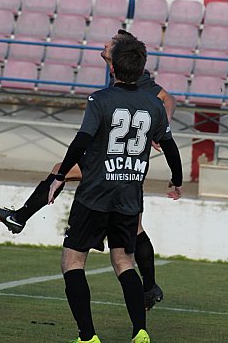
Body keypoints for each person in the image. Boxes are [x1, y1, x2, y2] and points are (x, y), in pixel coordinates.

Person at [0, 29, 175, 310]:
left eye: (108, 44)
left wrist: (158, 131)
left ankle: (20, 217)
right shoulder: (119, 69)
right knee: (133, 226)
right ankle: (149, 286)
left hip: (116, 163)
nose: (103, 45)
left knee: (64, 175)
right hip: (124, 165)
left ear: (116, 52)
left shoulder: (140, 81)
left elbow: (168, 99)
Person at [46, 31, 182, 343]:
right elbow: (170, 146)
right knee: (123, 261)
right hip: (130, 192)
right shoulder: (154, 105)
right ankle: (141, 332)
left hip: (96, 192)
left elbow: (82, 141)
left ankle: (87, 337)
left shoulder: (101, 99)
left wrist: (60, 174)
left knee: (72, 259)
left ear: (113, 69)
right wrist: (177, 179)